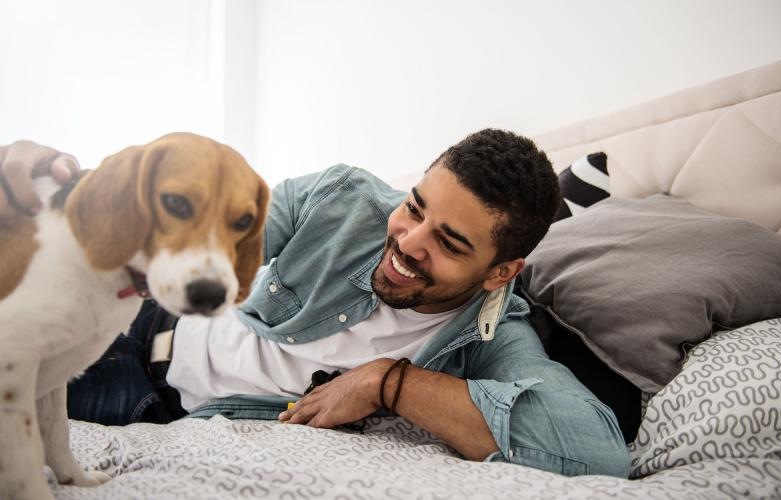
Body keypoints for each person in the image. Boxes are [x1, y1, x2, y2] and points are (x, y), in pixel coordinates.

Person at [0, 130, 630, 477]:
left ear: (501, 272)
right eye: (414, 206)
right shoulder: (340, 198)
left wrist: (391, 384)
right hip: (140, 314)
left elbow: (597, 449)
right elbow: (207, 225)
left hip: (149, 402)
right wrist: (62, 185)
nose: (407, 242)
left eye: (448, 241)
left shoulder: (495, 335)